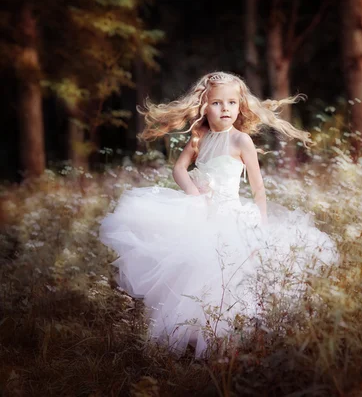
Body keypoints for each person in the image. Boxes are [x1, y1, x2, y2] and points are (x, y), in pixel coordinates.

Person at [99, 71, 338, 358]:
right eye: (217, 103)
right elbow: (178, 169)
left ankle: (232, 343)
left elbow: (258, 187)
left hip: (231, 218)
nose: (225, 109)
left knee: (229, 278)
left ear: (240, 106)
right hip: (201, 215)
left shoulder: (241, 141)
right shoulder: (200, 137)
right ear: (204, 106)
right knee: (193, 273)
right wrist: (193, 192)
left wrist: (260, 225)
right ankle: (195, 334)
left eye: (232, 103)